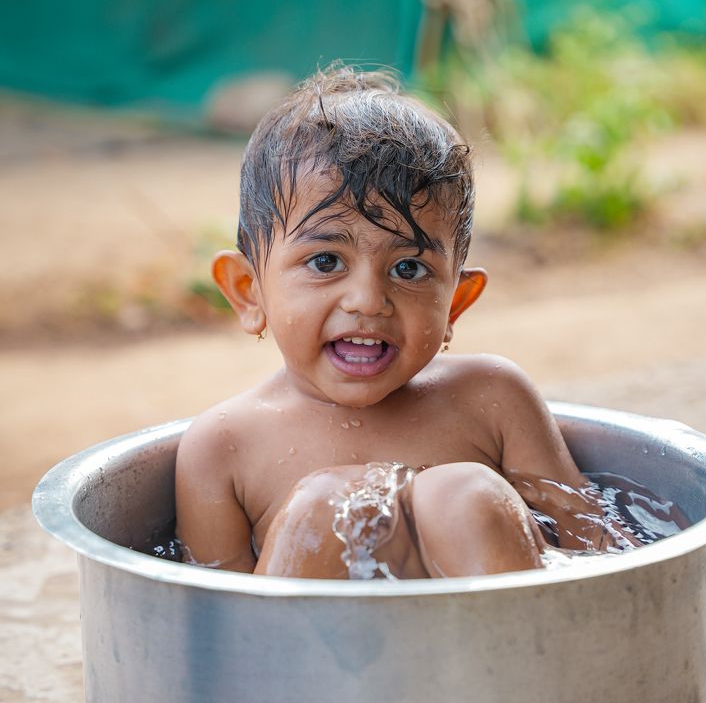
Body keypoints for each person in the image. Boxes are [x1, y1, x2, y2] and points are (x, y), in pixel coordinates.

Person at [175, 66, 635, 579]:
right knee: (322, 508)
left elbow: (593, 547)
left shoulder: (493, 399)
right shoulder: (223, 446)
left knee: (468, 496)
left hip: (498, 645)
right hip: (304, 656)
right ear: (248, 291)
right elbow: (209, 609)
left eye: (408, 269)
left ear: (455, 304)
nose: (370, 301)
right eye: (325, 261)